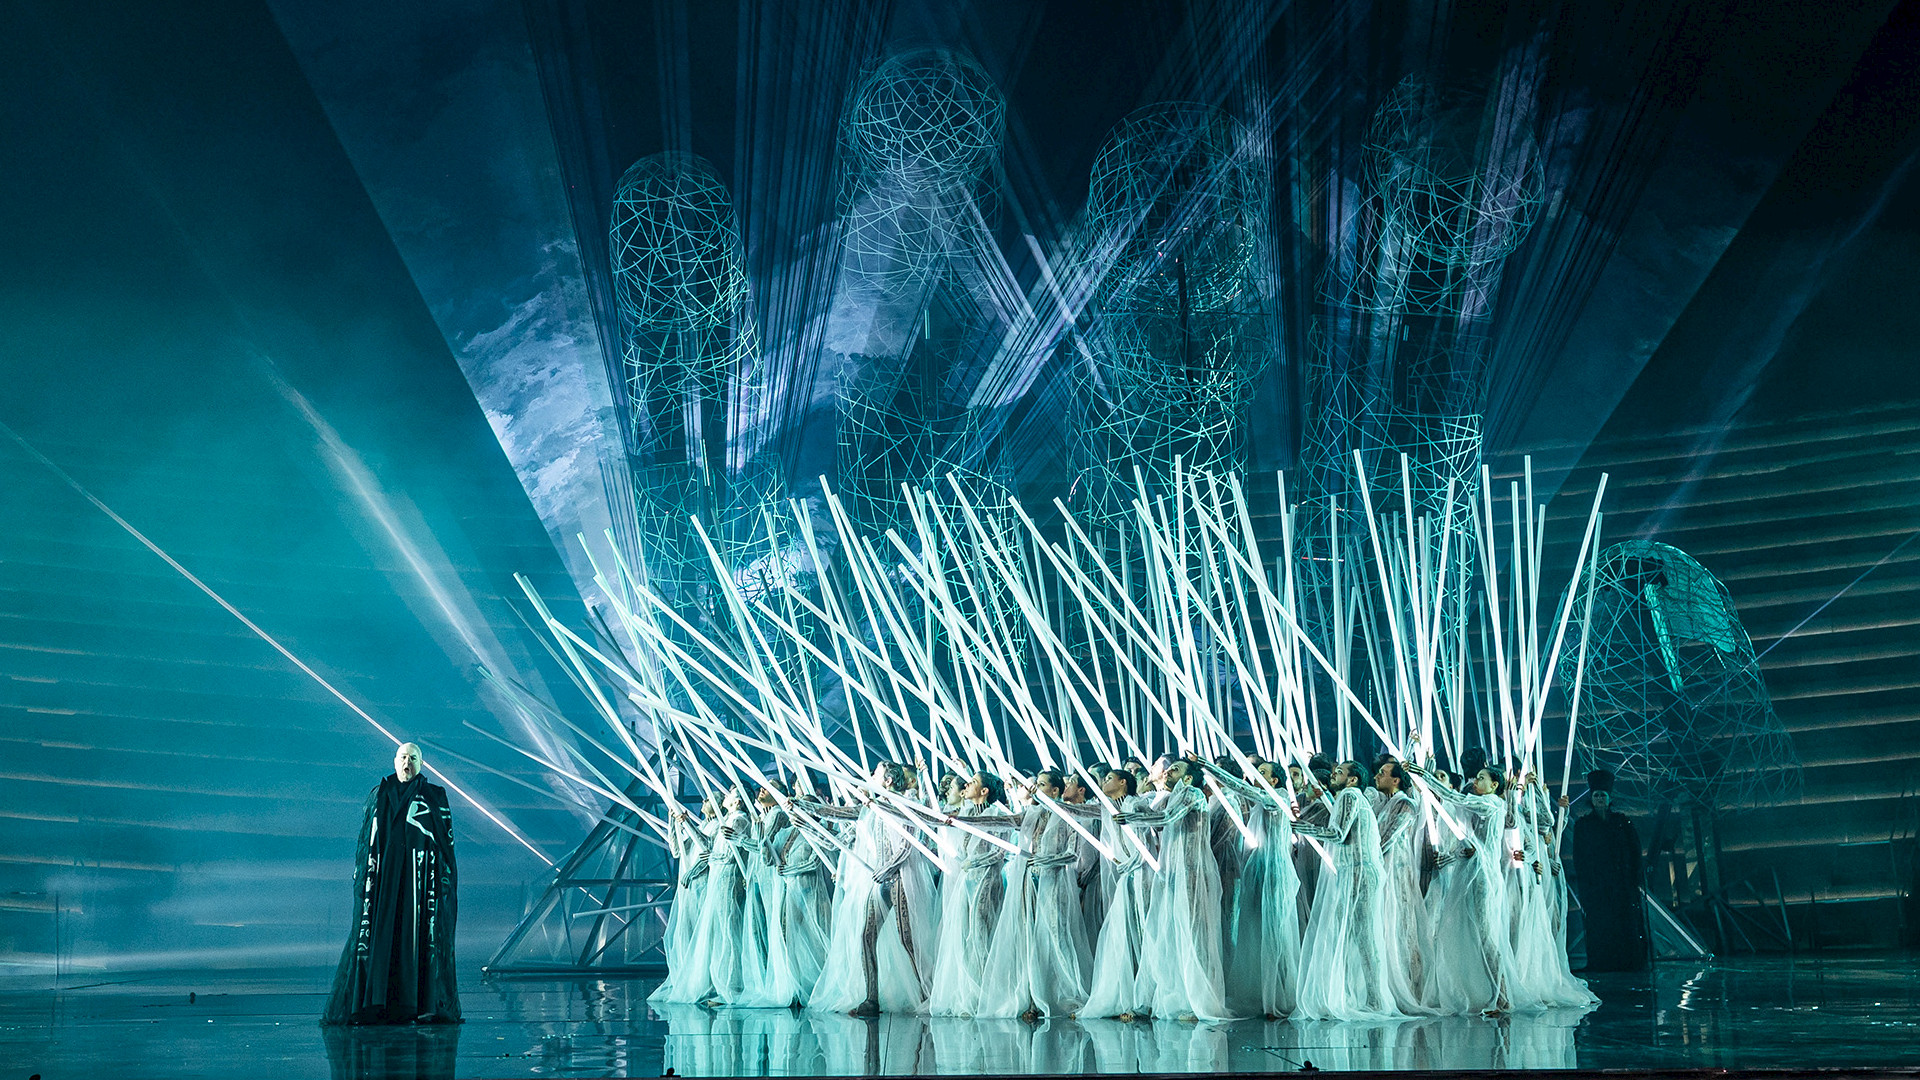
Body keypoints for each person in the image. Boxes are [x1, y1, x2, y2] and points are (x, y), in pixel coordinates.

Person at [322, 742, 461, 1025]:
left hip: (418, 881)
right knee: (381, 936)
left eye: (413, 758)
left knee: (415, 937)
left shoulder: (434, 796)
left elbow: (445, 843)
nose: (407, 762)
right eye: (403, 757)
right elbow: (367, 840)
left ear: (421, 764)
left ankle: (416, 1003)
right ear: (394, 761)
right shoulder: (379, 794)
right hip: (385, 880)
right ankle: (376, 1002)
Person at [1569, 769, 1647, 972]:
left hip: (1622, 884)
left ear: (1609, 797)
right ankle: (1601, 962)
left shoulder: (1622, 823)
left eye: (1603, 795)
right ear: (1591, 798)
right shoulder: (1583, 826)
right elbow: (1580, 857)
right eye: (1596, 795)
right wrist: (1586, 884)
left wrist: (1634, 878)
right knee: (1599, 924)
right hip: (1596, 886)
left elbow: (1634, 852)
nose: (1600, 799)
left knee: (1624, 923)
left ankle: (1629, 961)